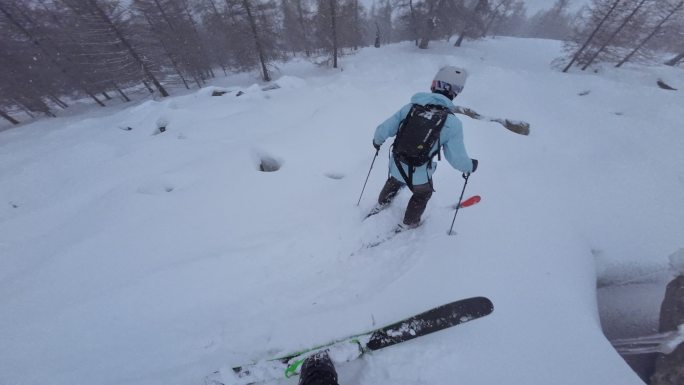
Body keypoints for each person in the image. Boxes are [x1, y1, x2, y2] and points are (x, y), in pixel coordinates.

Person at [371, 66, 478, 229]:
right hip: (420, 172)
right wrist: (469, 166)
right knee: (423, 193)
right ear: (455, 93)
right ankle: (410, 222)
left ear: (434, 85)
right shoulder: (452, 123)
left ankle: (382, 203)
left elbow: (383, 130)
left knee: (394, 180)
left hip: (397, 163)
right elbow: (456, 159)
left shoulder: (411, 108)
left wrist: (377, 142)